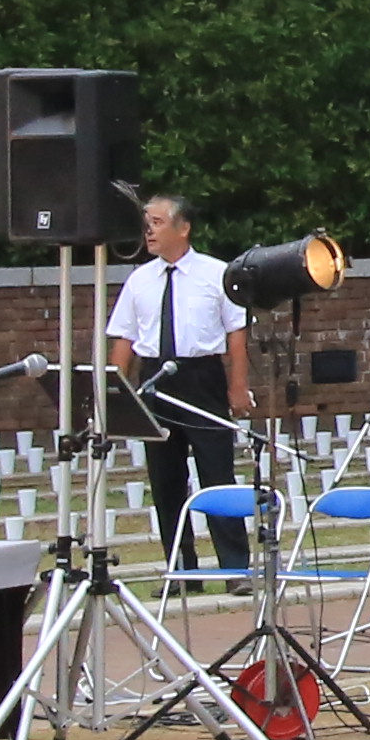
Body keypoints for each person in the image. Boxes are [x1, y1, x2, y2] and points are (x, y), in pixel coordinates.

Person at [109, 194, 254, 581]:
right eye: (146, 224)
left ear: (183, 227)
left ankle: (235, 568)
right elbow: (124, 339)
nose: (148, 231)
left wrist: (238, 387)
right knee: (166, 480)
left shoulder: (217, 274)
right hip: (155, 379)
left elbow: (236, 334)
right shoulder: (139, 280)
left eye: (157, 223)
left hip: (201, 376)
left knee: (217, 474)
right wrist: (115, 394)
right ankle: (181, 569)